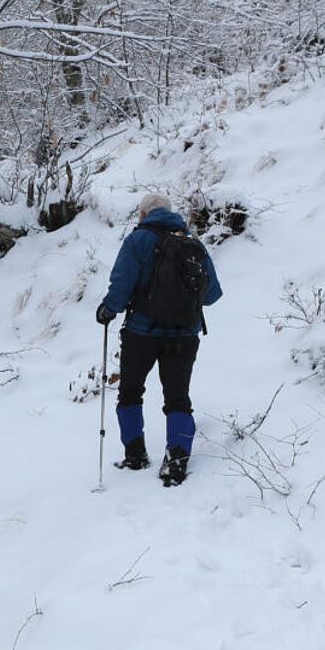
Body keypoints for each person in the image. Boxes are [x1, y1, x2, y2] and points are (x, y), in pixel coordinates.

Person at [95, 195, 222, 486]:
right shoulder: (193, 243)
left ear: (143, 214)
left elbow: (122, 283)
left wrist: (108, 310)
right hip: (185, 334)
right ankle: (175, 464)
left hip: (142, 332)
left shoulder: (138, 240)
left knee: (130, 392)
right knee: (178, 398)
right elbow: (212, 294)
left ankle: (135, 455)